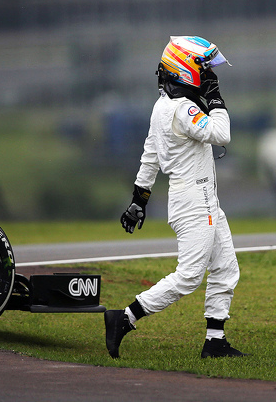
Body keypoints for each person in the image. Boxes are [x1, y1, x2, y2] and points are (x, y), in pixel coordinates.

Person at [104, 36, 246, 359]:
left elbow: (150, 156)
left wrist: (138, 200)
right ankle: (124, 318)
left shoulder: (161, 107)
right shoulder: (184, 110)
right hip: (196, 202)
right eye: (205, 70)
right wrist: (217, 98)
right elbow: (222, 134)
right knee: (189, 276)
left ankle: (215, 341)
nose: (210, 76)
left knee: (226, 267)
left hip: (197, 199)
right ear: (186, 70)